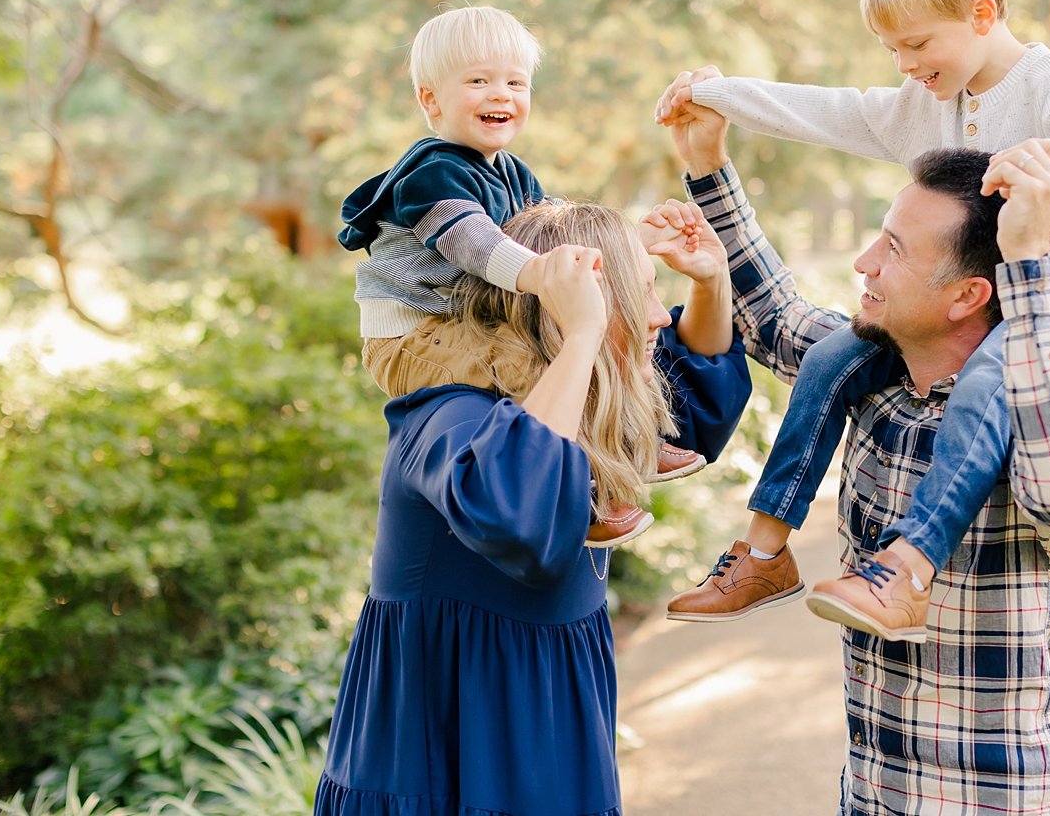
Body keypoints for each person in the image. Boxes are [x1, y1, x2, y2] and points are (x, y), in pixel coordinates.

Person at [653, 0, 1050, 638]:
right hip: (976, 304)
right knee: (829, 356)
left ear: (982, 14)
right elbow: (830, 110)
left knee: (986, 382)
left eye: (917, 44)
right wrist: (721, 95)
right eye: (892, 49)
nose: (905, 63)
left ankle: (908, 571)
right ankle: (764, 552)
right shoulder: (924, 107)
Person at [313, 196, 751, 816]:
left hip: (553, 733)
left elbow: (695, 414)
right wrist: (581, 337)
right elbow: (523, 516)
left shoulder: (580, 398)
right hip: (443, 752)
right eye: (638, 296)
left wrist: (709, 280)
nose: (659, 317)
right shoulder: (447, 418)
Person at [337, 6, 706, 548]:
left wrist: (632, 245)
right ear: (430, 100)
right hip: (412, 335)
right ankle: (586, 497)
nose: (500, 95)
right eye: (478, 81)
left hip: (462, 321)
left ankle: (632, 443)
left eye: (515, 82)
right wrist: (540, 273)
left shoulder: (513, 172)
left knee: (586, 337)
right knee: (533, 361)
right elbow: (476, 245)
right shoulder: (431, 173)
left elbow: (559, 240)